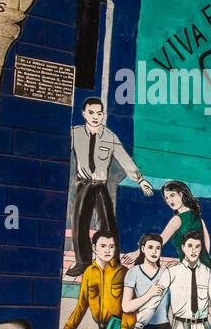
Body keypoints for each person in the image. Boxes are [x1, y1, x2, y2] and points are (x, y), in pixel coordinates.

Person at [66, 97, 154, 278]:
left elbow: (124, 158)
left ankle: (113, 262)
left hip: (100, 186)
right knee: (79, 224)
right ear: (84, 114)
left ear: (103, 114)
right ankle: (83, 262)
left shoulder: (109, 136)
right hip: (83, 184)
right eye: (91, 113)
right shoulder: (75, 133)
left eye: (99, 113)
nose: (95, 117)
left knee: (108, 224)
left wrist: (140, 180)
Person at [158, 180, 211, 267]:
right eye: (166, 198)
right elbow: (206, 246)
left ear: (181, 194)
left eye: (172, 195)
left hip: (193, 268)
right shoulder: (198, 218)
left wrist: (137, 253)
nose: (169, 200)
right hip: (203, 266)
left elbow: (159, 241)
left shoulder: (177, 219)